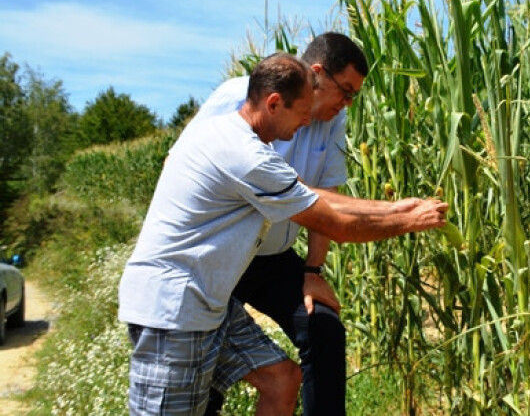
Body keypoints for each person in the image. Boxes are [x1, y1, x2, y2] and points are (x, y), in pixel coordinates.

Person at [118, 52, 447, 416]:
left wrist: (396, 207)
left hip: (210, 301)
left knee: (282, 379)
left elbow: (314, 195)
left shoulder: (245, 140)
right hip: (174, 307)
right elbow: (336, 225)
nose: (309, 121)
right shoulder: (247, 155)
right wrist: (412, 221)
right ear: (274, 103)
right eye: (302, 112)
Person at [193, 33, 372, 415]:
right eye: (346, 91)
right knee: (206, 363)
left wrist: (312, 270)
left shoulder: (331, 122)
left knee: (322, 328)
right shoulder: (238, 97)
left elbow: (326, 197)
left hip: (273, 255)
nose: (347, 104)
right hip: (225, 252)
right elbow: (185, 162)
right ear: (318, 74)